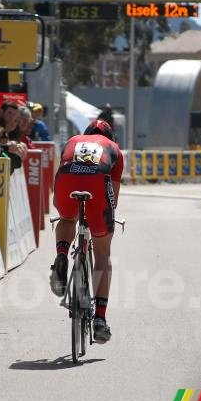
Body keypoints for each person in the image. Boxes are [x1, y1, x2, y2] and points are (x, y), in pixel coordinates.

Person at [50, 119, 123, 343]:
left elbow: (59, 170)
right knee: (103, 253)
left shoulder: (73, 140)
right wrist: (102, 220)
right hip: (97, 181)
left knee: (66, 217)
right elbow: (114, 195)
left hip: (67, 179)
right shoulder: (114, 149)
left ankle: (62, 253)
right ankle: (100, 319)